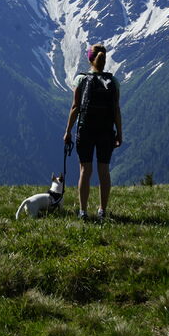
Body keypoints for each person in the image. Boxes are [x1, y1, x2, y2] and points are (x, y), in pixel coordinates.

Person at [63, 44, 122, 221]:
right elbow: (116, 109)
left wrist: (68, 131)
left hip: (85, 129)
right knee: (104, 170)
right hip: (106, 130)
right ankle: (102, 210)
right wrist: (119, 133)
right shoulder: (114, 82)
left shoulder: (81, 79)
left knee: (85, 170)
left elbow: (75, 107)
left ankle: (83, 211)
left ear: (90, 59)